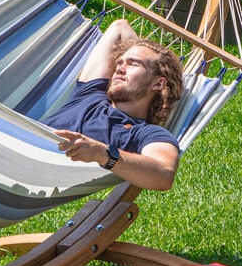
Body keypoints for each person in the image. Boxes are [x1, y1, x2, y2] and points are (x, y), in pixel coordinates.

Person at [48, 18, 185, 191]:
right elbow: (119, 27)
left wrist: (102, 153)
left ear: (158, 84)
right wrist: (141, 49)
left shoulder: (145, 133)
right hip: (14, 145)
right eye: (119, 62)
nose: (119, 69)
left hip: (34, 170)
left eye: (133, 63)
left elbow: (164, 175)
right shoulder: (91, 93)